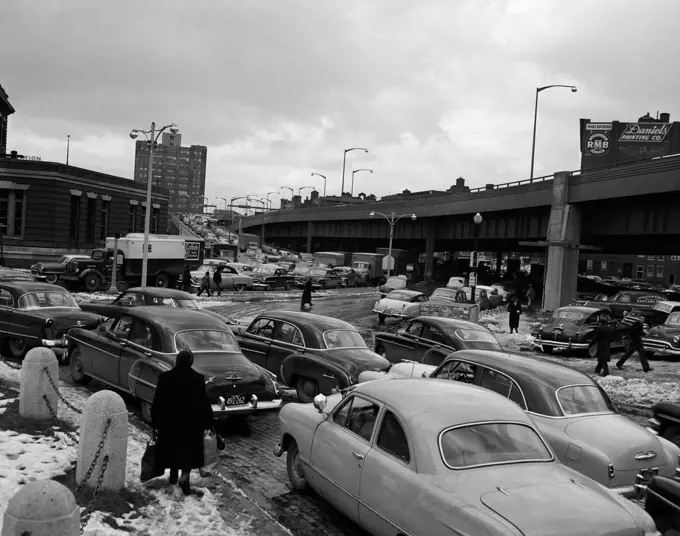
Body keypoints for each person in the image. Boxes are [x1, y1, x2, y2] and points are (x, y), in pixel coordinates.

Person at [151, 349, 214, 495]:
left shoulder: (165, 377)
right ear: (191, 362)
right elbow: (203, 402)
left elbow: (158, 402)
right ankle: (184, 477)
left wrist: (155, 423)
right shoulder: (197, 378)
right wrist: (208, 422)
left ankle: (173, 475)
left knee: (173, 448)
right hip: (191, 424)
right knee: (189, 452)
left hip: (169, 423)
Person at [591, 313, 616, 377]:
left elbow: (596, 337)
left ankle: (606, 372)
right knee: (602, 357)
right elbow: (613, 338)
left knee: (602, 359)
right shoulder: (611, 329)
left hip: (601, 345)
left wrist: (591, 343)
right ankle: (597, 369)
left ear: (601, 323)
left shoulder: (600, 329)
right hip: (607, 344)